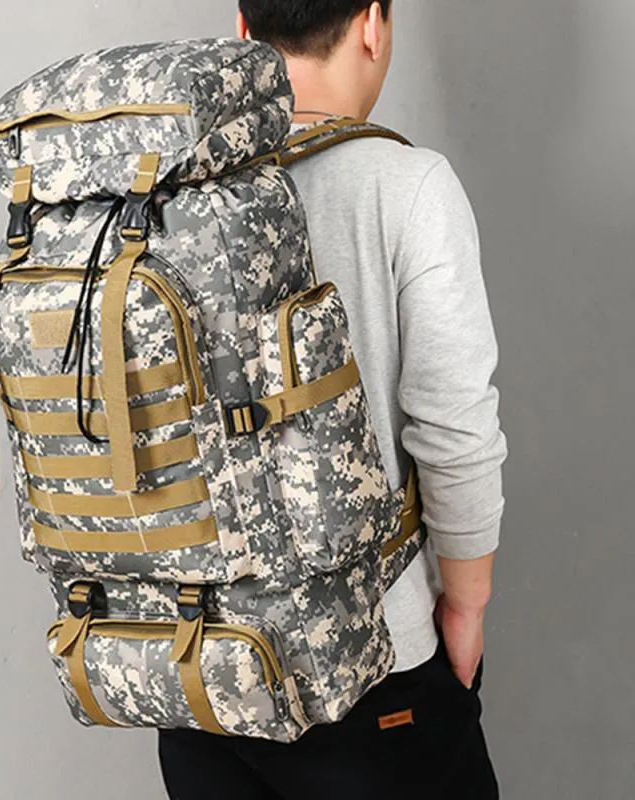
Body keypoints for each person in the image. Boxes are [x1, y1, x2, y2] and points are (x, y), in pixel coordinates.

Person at [159, 2, 508, 797]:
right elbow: (455, 430)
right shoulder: (407, 186)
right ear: (372, 25)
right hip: (370, 667)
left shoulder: (165, 188)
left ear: (243, 31)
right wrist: (465, 607)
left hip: (198, 667)